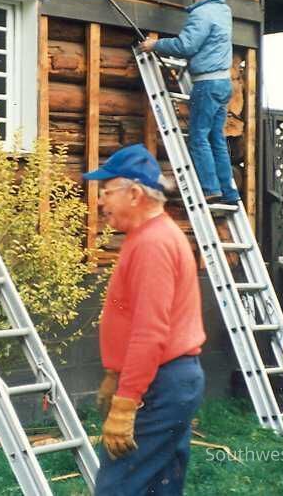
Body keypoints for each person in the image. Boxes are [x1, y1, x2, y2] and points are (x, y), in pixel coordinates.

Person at [83, 143, 206, 495]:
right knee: (159, 487)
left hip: (160, 384)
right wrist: (114, 374)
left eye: (106, 192)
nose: (101, 201)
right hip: (169, 381)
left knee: (118, 488)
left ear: (134, 194)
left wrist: (125, 403)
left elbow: (150, 333)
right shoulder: (150, 236)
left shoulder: (153, 244)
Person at [137, 0, 240, 204]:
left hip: (207, 84)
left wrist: (155, 44)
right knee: (216, 138)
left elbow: (185, 45)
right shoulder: (223, 10)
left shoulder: (203, 13)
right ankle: (229, 192)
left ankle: (210, 188)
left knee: (198, 137)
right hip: (223, 83)